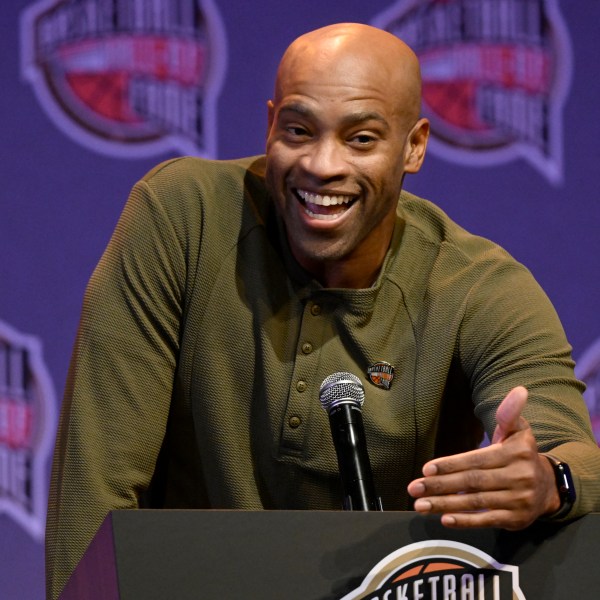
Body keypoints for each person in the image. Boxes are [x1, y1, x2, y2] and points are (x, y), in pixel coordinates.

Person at [46, 22, 600, 600]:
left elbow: (576, 454)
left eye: (361, 139)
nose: (321, 165)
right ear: (269, 126)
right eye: (299, 130)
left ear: (413, 146)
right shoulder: (183, 217)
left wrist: (548, 481)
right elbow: (97, 484)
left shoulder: (476, 285)